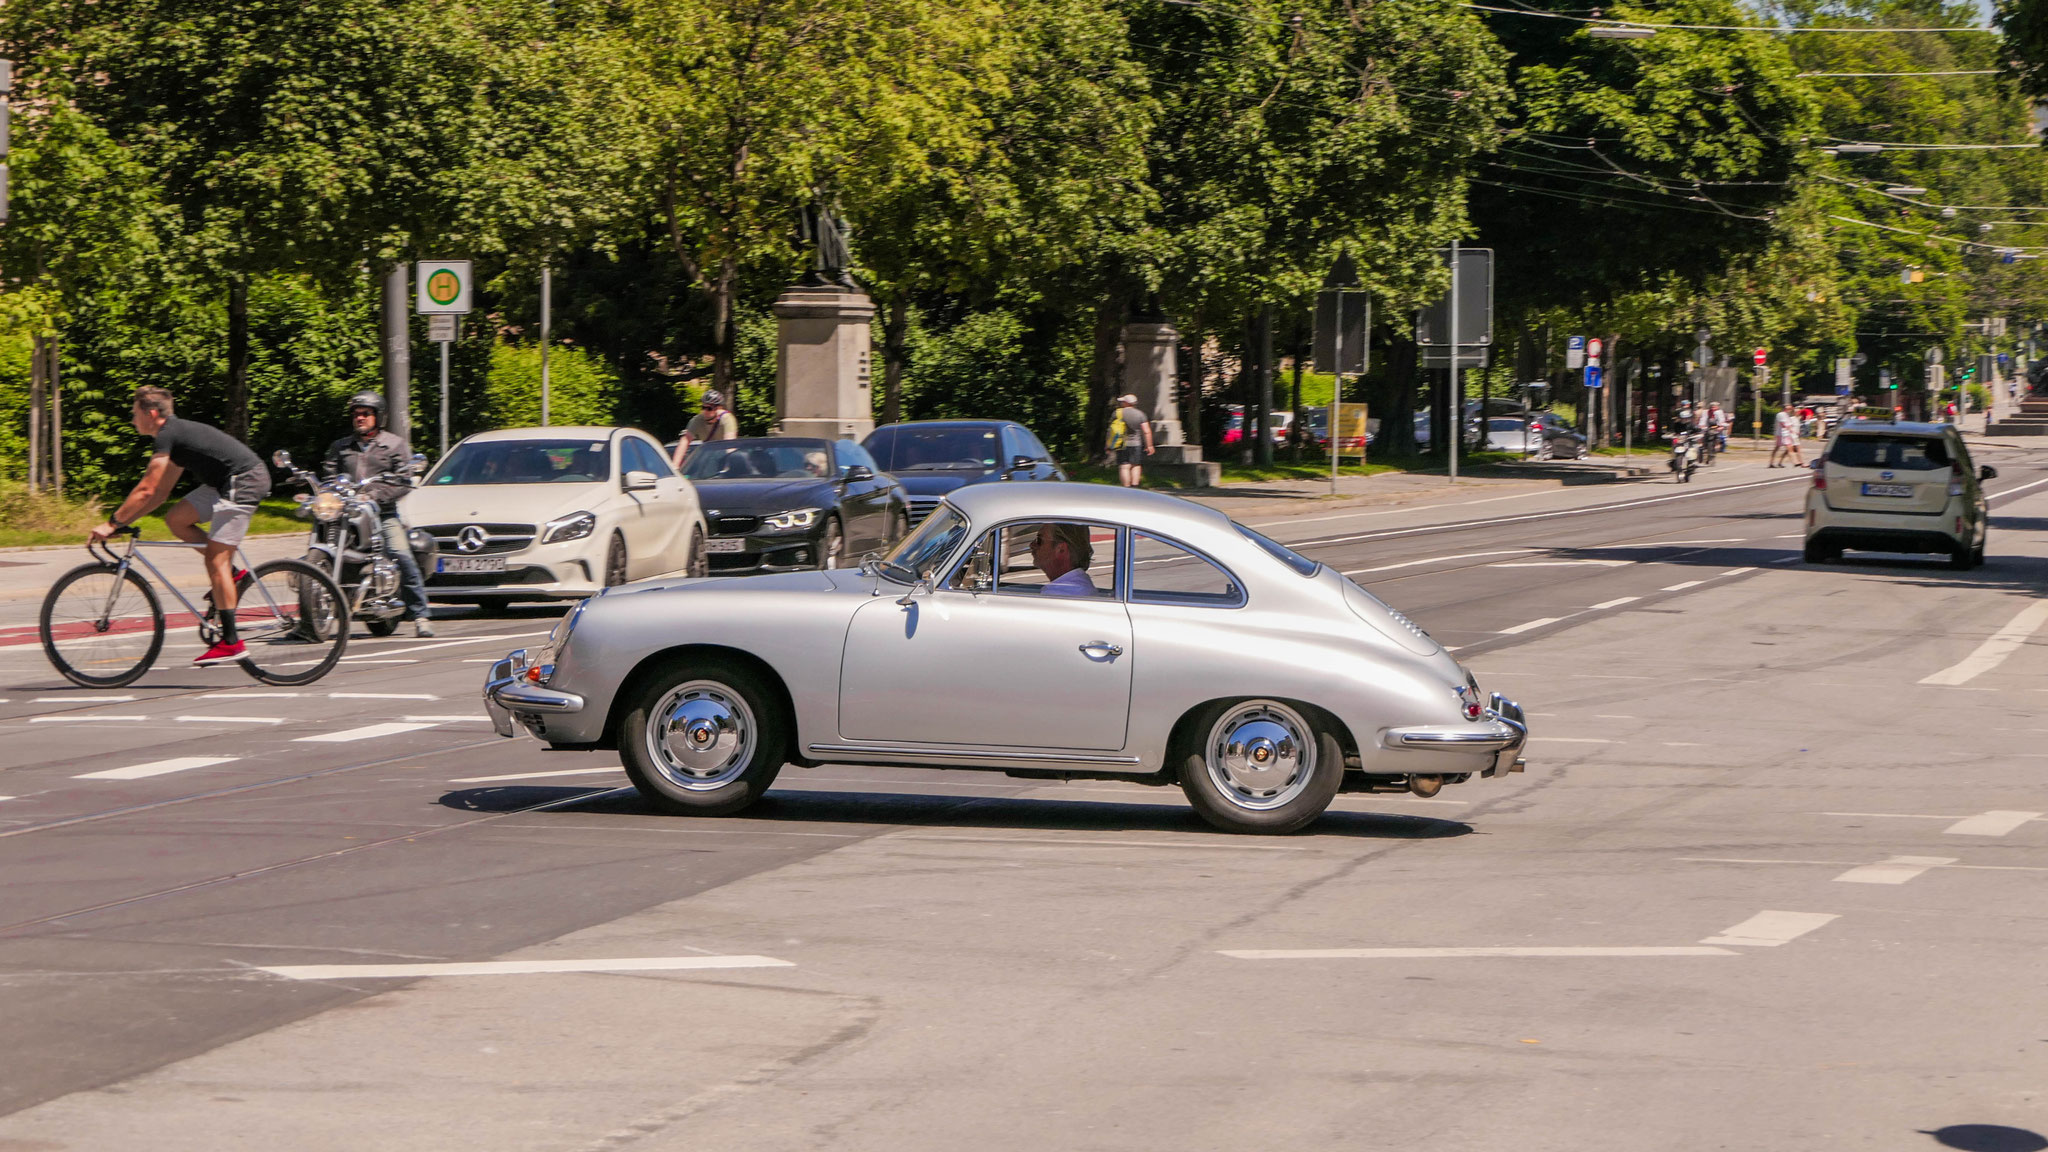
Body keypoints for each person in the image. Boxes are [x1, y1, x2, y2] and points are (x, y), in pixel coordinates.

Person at [91, 387, 272, 666]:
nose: (131, 419)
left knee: (216, 558)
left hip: (244, 481)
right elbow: (159, 494)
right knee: (176, 519)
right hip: (226, 482)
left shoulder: (169, 435)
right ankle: (233, 576)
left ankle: (231, 643)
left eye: (134, 413)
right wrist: (124, 522)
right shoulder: (175, 439)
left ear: (151, 414)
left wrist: (112, 522)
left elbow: (146, 488)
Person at [323, 392, 432, 637]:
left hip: (383, 514)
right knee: (320, 555)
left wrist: (374, 495)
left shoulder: (394, 444)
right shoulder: (341, 447)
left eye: (365, 413)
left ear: (378, 416)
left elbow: (404, 481)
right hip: (344, 514)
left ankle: (421, 615)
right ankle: (308, 620)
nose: (359, 418)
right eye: (356, 414)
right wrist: (329, 491)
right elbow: (329, 476)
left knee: (401, 555)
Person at [671, 389, 738, 469]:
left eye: (709, 408)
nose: (705, 411)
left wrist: (728, 466)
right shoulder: (697, 420)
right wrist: (675, 466)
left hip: (723, 455)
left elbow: (730, 444)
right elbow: (684, 441)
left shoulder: (727, 419)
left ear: (718, 408)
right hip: (708, 456)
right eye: (703, 407)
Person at [1030, 522, 1096, 597]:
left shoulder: (1058, 593)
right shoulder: (1079, 585)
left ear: (1061, 549)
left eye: (1039, 540)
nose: (1032, 545)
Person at [1108, 393, 1154, 487]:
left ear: (1126, 403)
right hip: (1136, 444)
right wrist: (1149, 445)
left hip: (1121, 443)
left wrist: (1108, 445)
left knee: (1124, 466)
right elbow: (1146, 431)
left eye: (1122, 401)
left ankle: (1126, 488)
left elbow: (1111, 430)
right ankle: (1135, 487)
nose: (1121, 403)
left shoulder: (1117, 413)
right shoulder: (1140, 414)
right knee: (1136, 465)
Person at [1769, 403, 1804, 468]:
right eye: (1789, 408)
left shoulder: (1787, 415)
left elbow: (1789, 425)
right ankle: (1771, 462)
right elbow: (1783, 424)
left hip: (1786, 434)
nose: (1790, 409)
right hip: (1781, 434)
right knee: (1778, 448)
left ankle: (1795, 462)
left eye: (1790, 408)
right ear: (1785, 408)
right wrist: (1792, 430)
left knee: (1789, 448)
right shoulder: (1780, 414)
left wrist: (1793, 431)